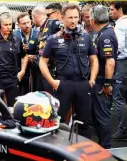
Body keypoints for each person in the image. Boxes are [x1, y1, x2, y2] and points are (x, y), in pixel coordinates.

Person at [39, 4, 99, 138]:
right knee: (57, 120)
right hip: (63, 84)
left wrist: (92, 79)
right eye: (70, 17)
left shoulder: (86, 37)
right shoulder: (53, 39)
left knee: (85, 121)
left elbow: (94, 59)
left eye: (76, 17)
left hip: (83, 84)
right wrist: (52, 81)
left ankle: (84, 153)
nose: (73, 21)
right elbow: (42, 61)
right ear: (62, 18)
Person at [89, 5, 118, 148]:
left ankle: (106, 147)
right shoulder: (101, 33)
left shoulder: (106, 35)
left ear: (93, 19)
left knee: (102, 116)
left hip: (102, 82)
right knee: (97, 116)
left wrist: (107, 84)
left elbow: (110, 62)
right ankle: (102, 144)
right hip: (99, 80)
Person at [31, 6, 62, 94]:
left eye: (32, 18)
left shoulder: (53, 23)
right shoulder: (40, 29)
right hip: (41, 70)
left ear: (35, 16)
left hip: (51, 70)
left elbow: (66, 27)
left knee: (51, 99)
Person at [109, 1, 127, 139]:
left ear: (119, 10)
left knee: (119, 97)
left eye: (112, 10)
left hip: (122, 62)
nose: (110, 12)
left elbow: (119, 47)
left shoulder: (121, 25)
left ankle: (123, 130)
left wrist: (111, 60)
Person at [14, 12, 39, 93]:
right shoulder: (14, 35)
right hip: (19, 68)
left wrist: (34, 57)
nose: (27, 25)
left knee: (32, 91)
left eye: (28, 22)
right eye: (24, 23)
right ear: (18, 25)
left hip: (34, 68)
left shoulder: (38, 33)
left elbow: (43, 52)